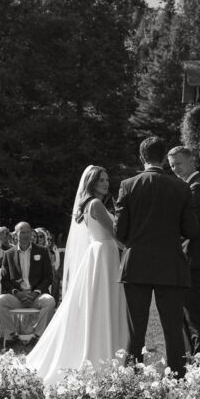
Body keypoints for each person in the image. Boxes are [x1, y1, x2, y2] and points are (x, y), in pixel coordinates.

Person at [27, 165, 129, 385]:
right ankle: (102, 349)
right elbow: (117, 235)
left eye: (107, 179)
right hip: (103, 256)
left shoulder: (92, 204)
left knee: (100, 303)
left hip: (102, 254)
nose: (105, 182)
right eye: (101, 179)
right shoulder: (96, 204)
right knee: (102, 303)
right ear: (91, 183)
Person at [116, 137, 199, 377]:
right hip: (170, 264)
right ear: (164, 159)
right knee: (173, 329)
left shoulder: (128, 185)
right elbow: (191, 229)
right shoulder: (181, 187)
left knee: (136, 329)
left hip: (137, 264)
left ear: (142, 158)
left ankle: (132, 379)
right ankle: (178, 378)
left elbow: (119, 231)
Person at [168, 145, 200, 355]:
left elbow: (188, 226)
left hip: (195, 258)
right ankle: (194, 357)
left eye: (178, 163)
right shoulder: (191, 186)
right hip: (190, 258)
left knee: (195, 312)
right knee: (188, 311)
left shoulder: (197, 188)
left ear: (192, 161)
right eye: (171, 165)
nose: (175, 169)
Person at [0, 222, 56, 348]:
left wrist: (35, 293)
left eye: (28, 232)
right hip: (17, 296)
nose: (26, 235)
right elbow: (5, 280)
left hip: (36, 295)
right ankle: (11, 336)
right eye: (22, 232)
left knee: (50, 301)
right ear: (15, 235)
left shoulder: (42, 251)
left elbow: (48, 277)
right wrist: (18, 293)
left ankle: (38, 337)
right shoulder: (9, 254)